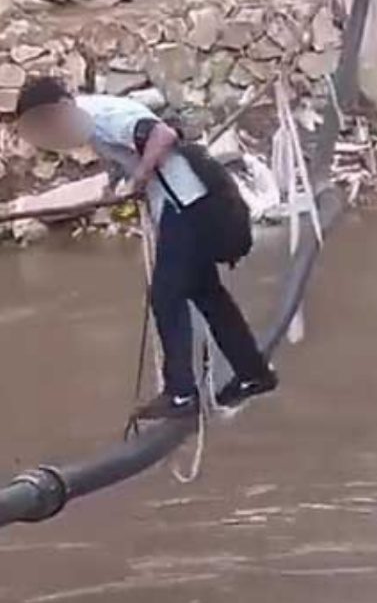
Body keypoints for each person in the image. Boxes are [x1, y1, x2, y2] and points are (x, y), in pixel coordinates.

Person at [13, 76, 277, 421]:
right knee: (208, 295)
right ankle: (253, 373)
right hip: (184, 202)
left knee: (167, 295)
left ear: (61, 108)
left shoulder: (102, 115)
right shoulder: (92, 124)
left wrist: (138, 177)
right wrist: (118, 184)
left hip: (186, 203)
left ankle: (181, 393)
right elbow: (126, 152)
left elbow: (161, 136)